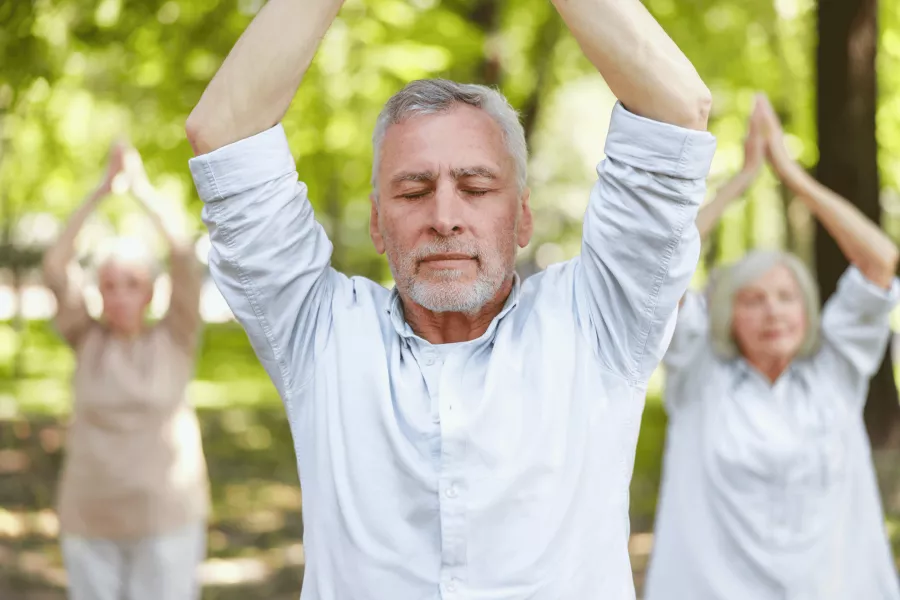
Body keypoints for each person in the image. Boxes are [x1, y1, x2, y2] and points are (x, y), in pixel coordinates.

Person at [184, 0, 715, 596]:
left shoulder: (598, 322)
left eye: (476, 187)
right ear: (378, 226)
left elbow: (678, 110)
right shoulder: (322, 334)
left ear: (522, 218)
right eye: (413, 192)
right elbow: (224, 134)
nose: (444, 218)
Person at [643, 95, 900, 599]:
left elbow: (880, 262)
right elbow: (660, 266)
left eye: (786, 298)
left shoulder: (837, 371)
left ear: (807, 312)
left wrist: (791, 175)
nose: (773, 312)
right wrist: (739, 181)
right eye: (753, 300)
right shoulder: (697, 377)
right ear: (726, 316)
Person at [42, 142, 208, 600]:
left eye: (131, 285)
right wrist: (100, 192)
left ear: (152, 292)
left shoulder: (175, 336)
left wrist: (141, 191)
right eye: (109, 286)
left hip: (166, 518)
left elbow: (183, 258)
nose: (119, 296)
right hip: (90, 518)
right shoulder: (87, 339)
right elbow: (55, 266)